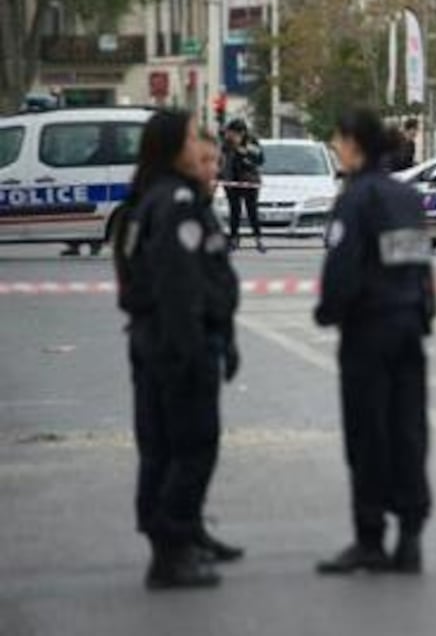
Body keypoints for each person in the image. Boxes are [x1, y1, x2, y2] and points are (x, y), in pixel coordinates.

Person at [112, 110, 243, 590]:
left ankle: (178, 539)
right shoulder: (175, 202)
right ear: (173, 147)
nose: (200, 149)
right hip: (177, 345)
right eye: (192, 139)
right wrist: (192, 352)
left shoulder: (149, 199)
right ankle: (170, 550)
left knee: (162, 449)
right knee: (191, 448)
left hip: (156, 341)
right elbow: (178, 286)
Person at [314, 108, 436, 576]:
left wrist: (328, 313)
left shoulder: (355, 200)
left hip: (368, 333)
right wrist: (423, 316)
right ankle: (410, 536)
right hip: (408, 328)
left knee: (368, 435)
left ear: (354, 145)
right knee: (408, 432)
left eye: (338, 140)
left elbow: (342, 270)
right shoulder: (407, 198)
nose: (335, 147)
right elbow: (420, 264)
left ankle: (370, 539)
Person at [221, 119, 266, 252]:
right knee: (235, 211)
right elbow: (222, 159)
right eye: (230, 133)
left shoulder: (251, 141)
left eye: (233, 133)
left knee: (252, 211)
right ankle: (234, 238)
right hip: (231, 180)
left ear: (242, 132)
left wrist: (243, 150)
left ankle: (258, 239)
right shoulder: (226, 143)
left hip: (249, 181)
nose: (231, 135)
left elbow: (260, 158)